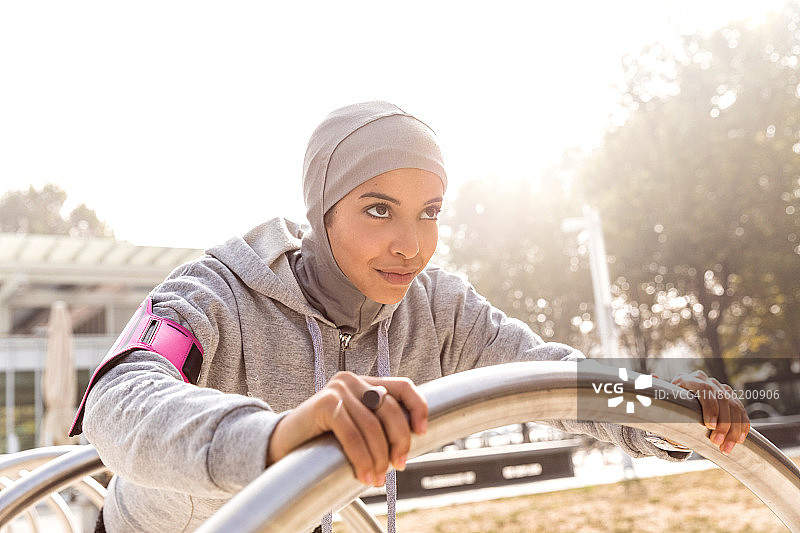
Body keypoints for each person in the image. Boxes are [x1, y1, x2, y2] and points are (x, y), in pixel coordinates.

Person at [73, 101, 750, 533]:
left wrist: (655, 401)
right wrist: (273, 438)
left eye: (430, 212)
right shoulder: (218, 290)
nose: (411, 244)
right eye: (378, 208)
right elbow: (120, 393)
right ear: (321, 211)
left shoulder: (437, 309)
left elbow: (555, 377)